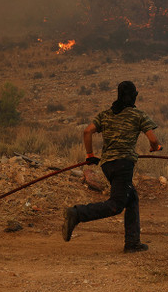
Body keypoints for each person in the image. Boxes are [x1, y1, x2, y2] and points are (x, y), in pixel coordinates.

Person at [62, 80, 162, 253]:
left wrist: (90, 155)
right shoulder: (138, 115)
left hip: (107, 165)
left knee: (131, 198)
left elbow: (87, 131)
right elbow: (153, 139)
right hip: (123, 164)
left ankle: (132, 242)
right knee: (116, 205)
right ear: (134, 96)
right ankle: (77, 214)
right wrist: (155, 148)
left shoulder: (106, 114)